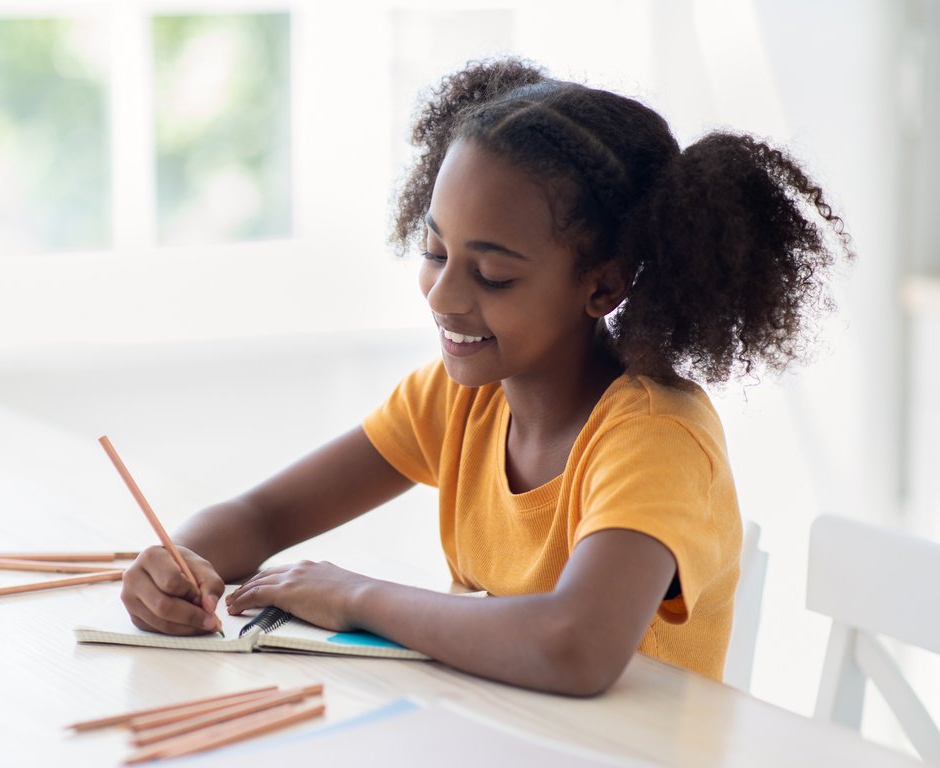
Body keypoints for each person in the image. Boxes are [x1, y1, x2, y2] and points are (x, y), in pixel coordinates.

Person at [119, 57, 849, 696]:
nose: (442, 296)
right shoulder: (457, 400)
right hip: (496, 750)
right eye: (435, 251)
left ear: (603, 287)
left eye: (492, 274)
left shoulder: (654, 440)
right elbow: (263, 517)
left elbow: (576, 646)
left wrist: (357, 597)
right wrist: (183, 564)